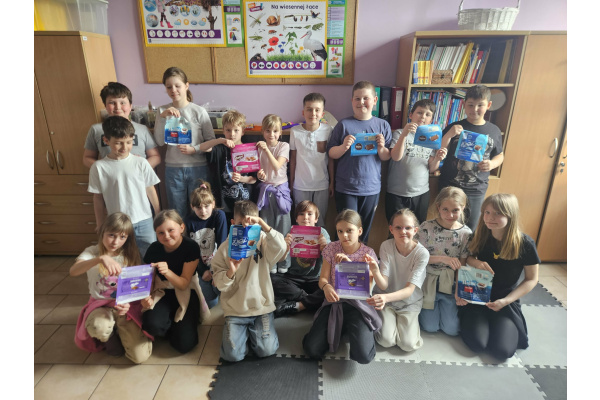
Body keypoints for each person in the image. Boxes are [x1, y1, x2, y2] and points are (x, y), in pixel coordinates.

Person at [458, 193, 539, 360]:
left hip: (505, 300)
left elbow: (532, 279)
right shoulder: (480, 235)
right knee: (477, 344)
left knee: (502, 352)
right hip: (478, 296)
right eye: (487, 212)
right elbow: (467, 259)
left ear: (510, 215)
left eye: (497, 213)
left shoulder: (525, 244)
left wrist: (507, 300)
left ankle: (496, 323)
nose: (490, 217)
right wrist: (476, 263)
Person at [211, 200, 287, 362]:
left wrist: (263, 226)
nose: (246, 228)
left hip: (261, 308)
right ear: (233, 223)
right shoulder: (224, 248)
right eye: (240, 224)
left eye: (252, 224)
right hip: (236, 310)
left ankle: (254, 333)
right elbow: (219, 283)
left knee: (266, 350)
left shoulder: (263, 241)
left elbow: (281, 248)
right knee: (232, 355)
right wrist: (231, 272)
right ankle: (242, 334)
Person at [302, 209, 382, 364]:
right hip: (334, 302)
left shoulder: (368, 253)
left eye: (349, 230)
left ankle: (353, 329)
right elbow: (323, 278)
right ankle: (341, 328)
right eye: (340, 231)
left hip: (358, 305)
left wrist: (349, 265)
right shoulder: (331, 248)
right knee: (312, 350)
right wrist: (326, 287)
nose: (344, 235)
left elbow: (367, 288)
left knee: (364, 356)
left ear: (359, 231)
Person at [71, 212, 152, 364]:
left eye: (122, 237)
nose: (115, 242)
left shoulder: (130, 254)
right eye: (111, 235)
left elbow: (135, 286)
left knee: (139, 357)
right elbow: (73, 271)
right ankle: (109, 336)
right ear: (103, 232)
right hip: (100, 304)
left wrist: (127, 304)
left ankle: (119, 327)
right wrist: (100, 259)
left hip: (123, 305)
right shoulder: (92, 252)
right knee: (100, 328)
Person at [327, 81, 392, 244]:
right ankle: (339, 259)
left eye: (365, 98)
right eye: (357, 98)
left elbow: (386, 157)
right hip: (346, 187)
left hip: (371, 188)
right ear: (351, 101)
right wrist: (343, 146)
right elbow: (331, 153)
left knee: (363, 231)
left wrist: (381, 147)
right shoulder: (343, 124)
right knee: (345, 230)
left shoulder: (383, 125)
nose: (361, 102)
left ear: (375, 100)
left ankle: (360, 259)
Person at [88, 116, 161, 258]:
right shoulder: (98, 167)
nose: (124, 147)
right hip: (117, 224)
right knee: (123, 259)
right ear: (106, 141)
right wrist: (100, 222)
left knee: (151, 257)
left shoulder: (141, 163)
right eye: (118, 143)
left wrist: (158, 214)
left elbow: (150, 189)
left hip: (144, 221)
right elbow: (98, 198)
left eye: (129, 142)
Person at [153, 66, 221, 219]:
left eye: (177, 86)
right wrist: (163, 118)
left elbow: (211, 141)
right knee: (177, 213)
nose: (173, 90)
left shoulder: (198, 111)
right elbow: (159, 141)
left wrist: (194, 149)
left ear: (186, 86)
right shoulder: (162, 111)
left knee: (200, 212)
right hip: (173, 169)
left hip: (198, 168)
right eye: (169, 87)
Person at [142, 210, 210, 354]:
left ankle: (179, 324)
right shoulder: (154, 249)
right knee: (150, 325)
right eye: (161, 233)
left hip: (187, 291)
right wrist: (146, 297)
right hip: (163, 291)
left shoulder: (190, 246)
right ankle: (172, 322)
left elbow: (184, 284)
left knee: (184, 345)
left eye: (171, 230)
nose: (166, 236)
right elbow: (147, 279)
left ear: (182, 227)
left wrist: (167, 271)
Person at [439, 84, 504, 230]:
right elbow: (439, 151)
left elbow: (500, 155)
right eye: (470, 105)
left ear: (489, 105)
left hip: (476, 188)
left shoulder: (494, 130)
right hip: (450, 186)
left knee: (470, 228)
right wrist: (449, 134)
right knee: (447, 225)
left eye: (480, 105)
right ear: (464, 105)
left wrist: (492, 164)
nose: (475, 109)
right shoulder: (454, 126)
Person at [367, 209, 429, 352]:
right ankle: (390, 323)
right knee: (386, 341)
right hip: (387, 300)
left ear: (415, 230)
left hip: (409, 302)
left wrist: (385, 297)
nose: (403, 231)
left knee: (408, 345)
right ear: (391, 229)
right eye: (398, 227)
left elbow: (409, 290)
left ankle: (404, 325)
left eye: (408, 228)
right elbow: (384, 285)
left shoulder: (422, 253)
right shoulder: (386, 246)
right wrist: (375, 270)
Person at [417, 187, 471, 336]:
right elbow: (417, 258)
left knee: (452, 329)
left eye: (455, 210)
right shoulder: (426, 227)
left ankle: (446, 307)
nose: (450, 215)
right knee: (430, 326)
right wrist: (443, 259)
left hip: (449, 284)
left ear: (462, 208)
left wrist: (459, 290)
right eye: (445, 209)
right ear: (438, 207)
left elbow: (462, 265)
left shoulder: (466, 233)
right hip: (428, 281)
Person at [386, 99, 447, 224]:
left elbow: (432, 168)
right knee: (395, 227)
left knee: (418, 227)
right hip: (396, 193)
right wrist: (404, 134)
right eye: (419, 112)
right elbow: (395, 156)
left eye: (427, 114)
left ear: (431, 120)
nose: (423, 116)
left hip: (421, 193)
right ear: (411, 115)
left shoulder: (432, 139)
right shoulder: (399, 133)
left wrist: (438, 158)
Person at [272, 200, 331, 318]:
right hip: (293, 277)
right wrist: (285, 248)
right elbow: (280, 261)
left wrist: (325, 248)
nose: (305, 217)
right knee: (271, 279)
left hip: (315, 279)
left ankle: (299, 305)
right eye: (301, 214)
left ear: (316, 218)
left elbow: (331, 259)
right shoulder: (291, 233)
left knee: (332, 287)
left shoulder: (322, 233)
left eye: (310, 214)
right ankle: (309, 300)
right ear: (296, 219)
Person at [83, 82, 160, 169]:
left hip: (139, 175)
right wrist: (105, 169)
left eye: (122, 103)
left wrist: (141, 168)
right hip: (110, 176)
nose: (118, 107)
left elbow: (155, 156)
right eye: (112, 103)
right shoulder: (96, 129)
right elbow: (87, 157)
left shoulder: (142, 129)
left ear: (130, 106)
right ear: (105, 106)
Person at [289, 93, 334, 227]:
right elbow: (293, 159)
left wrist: (332, 182)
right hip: (300, 185)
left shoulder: (328, 130)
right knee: (301, 223)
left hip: (322, 185)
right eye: (309, 109)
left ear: (322, 114)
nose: (313, 113)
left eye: (317, 110)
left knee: (320, 223)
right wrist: (291, 183)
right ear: (303, 112)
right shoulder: (295, 131)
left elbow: (331, 159)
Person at [255, 114, 292, 272]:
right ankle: (270, 262)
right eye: (268, 131)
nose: (271, 134)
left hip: (281, 190)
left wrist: (266, 149)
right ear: (263, 132)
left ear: (280, 132)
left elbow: (277, 166)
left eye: (275, 131)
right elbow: (259, 170)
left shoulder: (284, 146)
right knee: (266, 227)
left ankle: (284, 263)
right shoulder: (258, 148)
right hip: (266, 190)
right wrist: (260, 175)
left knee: (283, 226)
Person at [206, 109, 257, 223]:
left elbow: (254, 179)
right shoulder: (220, 149)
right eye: (228, 130)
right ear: (223, 131)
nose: (232, 134)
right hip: (224, 204)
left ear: (243, 131)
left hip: (245, 204)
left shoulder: (249, 150)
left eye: (236, 130)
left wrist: (241, 178)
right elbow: (204, 148)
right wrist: (220, 140)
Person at [184, 180, 228, 309]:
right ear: (192, 207)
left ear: (213, 204)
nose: (203, 211)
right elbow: (191, 252)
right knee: (211, 302)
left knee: (222, 291)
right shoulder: (188, 222)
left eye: (206, 206)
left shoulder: (219, 215)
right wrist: (203, 271)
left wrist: (215, 271)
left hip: (219, 264)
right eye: (198, 207)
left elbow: (222, 245)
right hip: (200, 265)